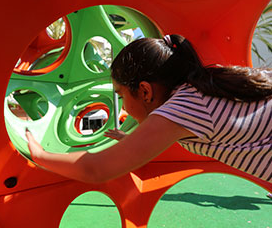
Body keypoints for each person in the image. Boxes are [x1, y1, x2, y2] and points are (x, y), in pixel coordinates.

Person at [26, 34, 272, 186]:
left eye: (121, 94)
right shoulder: (203, 85)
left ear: (145, 91)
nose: (121, 105)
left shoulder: (185, 106)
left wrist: (39, 154)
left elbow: (96, 169)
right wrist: (135, 141)